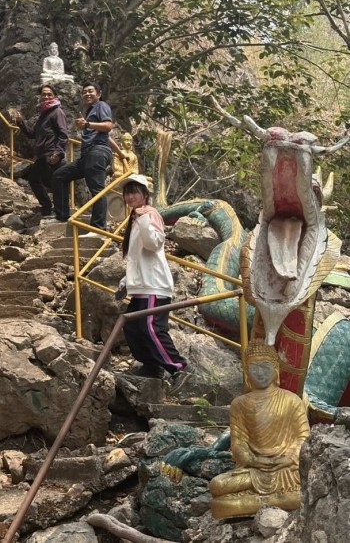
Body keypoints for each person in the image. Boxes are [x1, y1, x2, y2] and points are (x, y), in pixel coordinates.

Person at [209, 341, 310, 518]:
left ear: (276, 369)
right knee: (217, 485)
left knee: (305, 483)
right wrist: (252, 459)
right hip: (254, 469)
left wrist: (289, 458)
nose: (260, 373)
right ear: (246, 371)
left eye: (265, 367)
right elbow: (238, 443)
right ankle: (278, 500)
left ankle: (261, 502)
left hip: (286, 469)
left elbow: (304, 438)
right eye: (254, 368)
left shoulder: (292, 400)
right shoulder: (239, 404)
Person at [116, 172, 192, 391]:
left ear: (145, 194)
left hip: (154, 285)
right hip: (142, 285)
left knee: (151, 327)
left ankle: (179, 368)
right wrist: (126, 282)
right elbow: (136, 257)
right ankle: (152, 366)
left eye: (135, 192)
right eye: (127, 193)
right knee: (132, 326)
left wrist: (143, 220)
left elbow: (154, 244)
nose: (130, 197)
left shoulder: (150, 214)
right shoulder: (135, 218)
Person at [52, 81, 113, 232]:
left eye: (90, 91)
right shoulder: (90, 112)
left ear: (99, 94)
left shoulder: (101, 105)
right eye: (84, 92)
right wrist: (121, 154)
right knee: (59, 176)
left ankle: (98, 228)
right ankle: (62, 216)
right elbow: (107, 136)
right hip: (87, 155)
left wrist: (87, 124)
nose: (87, 94)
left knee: (97, 189)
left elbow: (108, 126)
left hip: (97, 151)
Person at [12, 85, 68, 217]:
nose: (46, 97)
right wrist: (21, 122)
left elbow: (63, 134)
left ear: (55, 96)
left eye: (49, 94)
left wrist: (58, 152)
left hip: (52, 154)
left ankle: (60, 213)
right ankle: (48, 207)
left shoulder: (57, 112)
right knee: (35, 179)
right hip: (43, 155)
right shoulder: (44, 114)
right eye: (44, 94)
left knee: (54, 183)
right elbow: (32, 134)